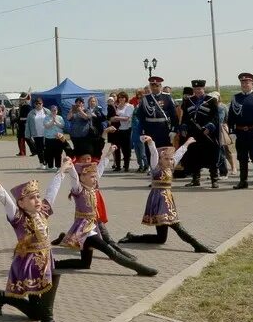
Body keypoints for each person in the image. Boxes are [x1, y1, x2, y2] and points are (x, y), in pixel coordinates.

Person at [0, 167, 68, 322]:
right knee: (49, 284)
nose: (37, 200)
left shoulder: (42, 211)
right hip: (29, 262)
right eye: (31, 198)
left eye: (37, 196)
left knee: (35, 314)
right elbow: (7, 203)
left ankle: (3, 297)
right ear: (21, 203)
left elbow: (52, 191)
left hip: (45, 257)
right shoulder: (18, 218)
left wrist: (62, 171)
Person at [52, 147, 157, 276]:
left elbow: (100, 169)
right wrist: (70, 165)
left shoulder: (91, 188)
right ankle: (140, 269)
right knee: (110, 251)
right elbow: (74, 176)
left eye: (95, 177)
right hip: (85, 231)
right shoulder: (78, 189)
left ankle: (53, 264)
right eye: (92, 177)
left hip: (93, 226)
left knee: (85, 264)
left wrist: (107, 155)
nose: (95, 179)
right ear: (82, 177)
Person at [119, 136, 216, 252]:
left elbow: (179, 154)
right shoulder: (155, 167)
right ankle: (197, 245)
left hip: (167, 200)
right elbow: (154, 152)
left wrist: (187, 144)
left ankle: (132, 237)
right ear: (160, 159)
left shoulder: (171, 167)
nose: (170, 161)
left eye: (171, 159)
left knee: (161, 239)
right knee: (176, 225)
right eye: (166, 159)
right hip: (158, 200)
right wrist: (150, 142)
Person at [227, 72, 253, 190]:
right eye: (243, 82)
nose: (245, 84)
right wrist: (232, 131)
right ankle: (243, 181)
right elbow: (231, 116)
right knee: (242, 157)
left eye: (247, 82)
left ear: (252, 84)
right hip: (240, 133)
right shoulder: (236, 97)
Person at [179, 80, 221, 188]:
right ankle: (195, 179)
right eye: (195, 89)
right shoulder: (188, 101)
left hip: (207, 133)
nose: (197, 91)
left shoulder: (211, 100)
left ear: (203, 89)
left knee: (211, 156)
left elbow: (216, 116)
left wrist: (210, 126)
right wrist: (183, 126)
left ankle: (214, 179)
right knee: (194, 156)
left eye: (199, 89)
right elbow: (185, 117)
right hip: (194, 133)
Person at [134, 76, 176, 148]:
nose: (155, 88)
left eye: (157, 85)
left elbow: (173, 115)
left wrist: (173, 129)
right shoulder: (145, 98)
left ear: (160, 86)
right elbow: (140, 115)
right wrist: (142, 130)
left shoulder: (167, 97)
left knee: (164, 152)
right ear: (150, 86)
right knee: (150, 152)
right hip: (149, 129)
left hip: (163, 129)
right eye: (152, 85)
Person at [107, 91, 134, 172]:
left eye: (123, 97)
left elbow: (127, 118)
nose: (121, 99)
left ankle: (126, 166)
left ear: (126, 98)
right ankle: (118, 166)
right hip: (117, 130)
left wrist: (116, 118)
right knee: (117, 149)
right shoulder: (117, 106)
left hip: (126, 130)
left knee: (126, 149)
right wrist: (115, 118)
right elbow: (110, 118)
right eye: (120, 98)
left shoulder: (129, 106)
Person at [25, 97, 48, 166]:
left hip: (46, 134)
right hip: (36, 134)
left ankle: (46, 162)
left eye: (40, 103)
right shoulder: (31, 113)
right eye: (37, 103)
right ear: (35, 104)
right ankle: (42, 163)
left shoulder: (47, 111)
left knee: (46, 149)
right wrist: (28, 134)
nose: (38, 105)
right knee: (39, 149)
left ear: (42, 104)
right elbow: (28, 124)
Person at [42, 105, 66, 170]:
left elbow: (62, 126)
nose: (54, 112)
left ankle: (58, 166)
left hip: (58, 138)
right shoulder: (46, 117)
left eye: (55, 110)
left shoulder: (60, 117)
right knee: (50, 153)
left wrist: (56, 121)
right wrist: (52, 121)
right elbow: (46, 126)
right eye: (52, 110)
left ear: (57, 111)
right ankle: (50, 166)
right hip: (49, 138)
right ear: (50, 111)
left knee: (58, 153)